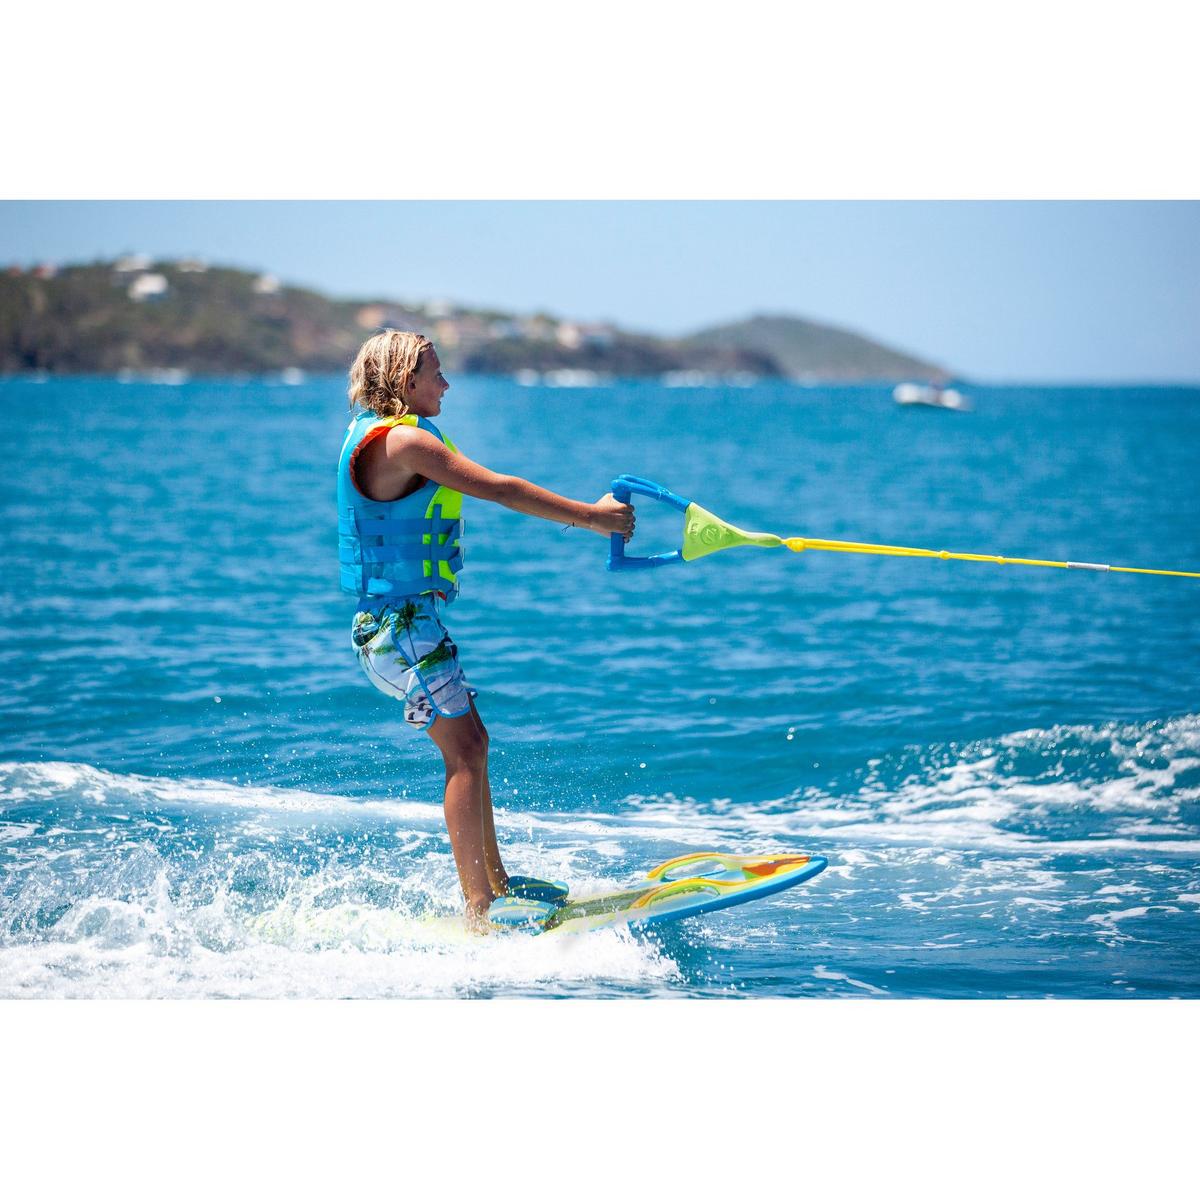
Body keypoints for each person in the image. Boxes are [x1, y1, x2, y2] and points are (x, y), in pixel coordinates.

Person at [338, 330, 635, 928]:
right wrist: (594, 518)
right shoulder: (402, 442)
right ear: (405, 381)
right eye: (436, 374)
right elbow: (499, 489)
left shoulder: (390, 435)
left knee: (473, 742)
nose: (446, 384)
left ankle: (495, 884)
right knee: (465, 751)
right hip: (399, 630)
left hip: (409, 624)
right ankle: (480, 910)